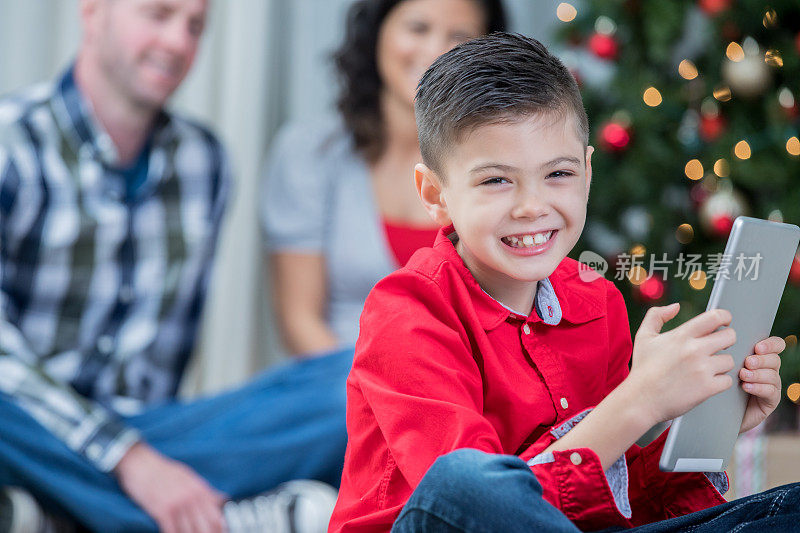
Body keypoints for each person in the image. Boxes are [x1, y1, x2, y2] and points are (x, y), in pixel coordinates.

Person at [329, 33, 799, 532]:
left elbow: (610, 498)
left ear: (588, 171)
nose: (533, 206)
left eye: (558, 173)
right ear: (435, 193)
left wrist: (710, 422)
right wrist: (638, 400)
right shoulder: (407, 311)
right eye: (495, 180)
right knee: (466, 480)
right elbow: (485, 507)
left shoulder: (598, 301)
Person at [0, 1, 347, 532]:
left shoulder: (204, 163)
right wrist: (130, 460)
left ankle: (58, 512)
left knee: (354, 379)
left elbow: (166, 370)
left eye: (194, 26)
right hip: (30, 425)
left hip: (164, 434)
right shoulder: (11, 141)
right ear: (93, 12)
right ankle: (214, 521)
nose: (179, 42)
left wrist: (150, 455)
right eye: (158, 14)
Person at [261, 0, 506, 356]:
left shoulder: (501, 167)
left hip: (466, 394)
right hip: (339, 390)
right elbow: (300, 322)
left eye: (460, 36)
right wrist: (384, 403)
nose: (436, 51)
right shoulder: (310, 153)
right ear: (377, 33)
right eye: (417, 28)